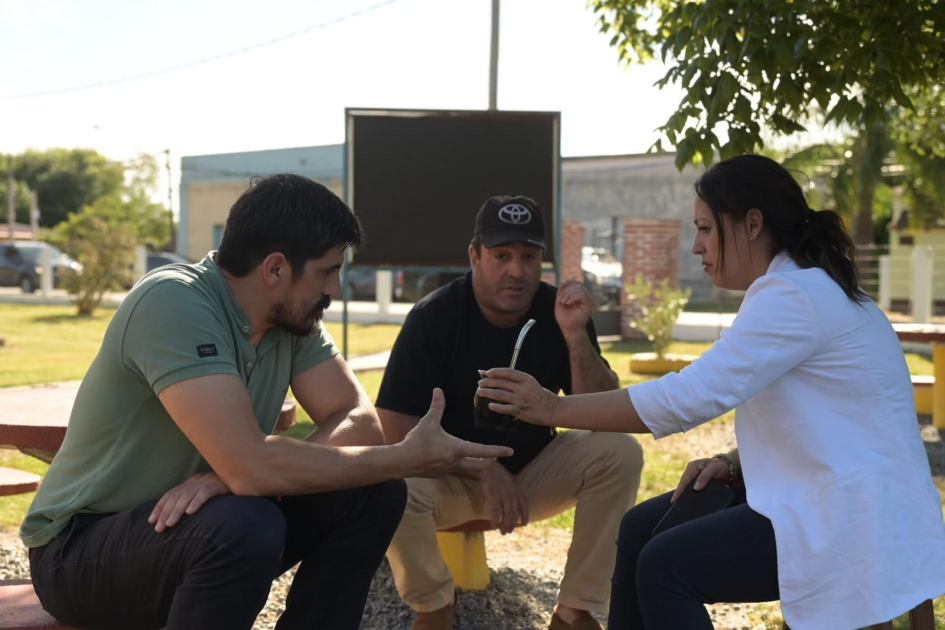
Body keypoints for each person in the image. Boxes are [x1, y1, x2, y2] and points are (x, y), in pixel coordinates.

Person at [20, 174, 512, 630]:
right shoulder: (173, 302)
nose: (335, 291)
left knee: (372, 491)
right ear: (275, 267)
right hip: (79, 551)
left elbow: (358, 420)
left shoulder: (291, 321)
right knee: (244, 523)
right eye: (327, 272)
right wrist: (401, 458)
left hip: (191, 528)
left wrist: (231, 476)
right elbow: (253, 471)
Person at [478, 155, 945, 630]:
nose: (697, 245)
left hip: (847, 520)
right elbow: (840, 424)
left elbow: (689, 397)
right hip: (852, 501)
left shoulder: (792, 297)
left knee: (665, 567)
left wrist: (550, 406)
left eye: (704, 229)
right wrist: (737, 461)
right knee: (638, 530)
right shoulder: (812, 288)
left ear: (752, 224)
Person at [376, 194, 644, 630]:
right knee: (390, 486)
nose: (516, 271)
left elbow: (602, 412)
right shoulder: (434, 317)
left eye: (528, 256)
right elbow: (393, 431)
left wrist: (575, 337)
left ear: (542, 261)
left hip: (536, 473)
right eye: (501, 256)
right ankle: (434, 606)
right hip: (452, 480)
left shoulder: (561, 312)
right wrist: (481, 468)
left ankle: (575, 610)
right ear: (474, 256)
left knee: (621, 451)